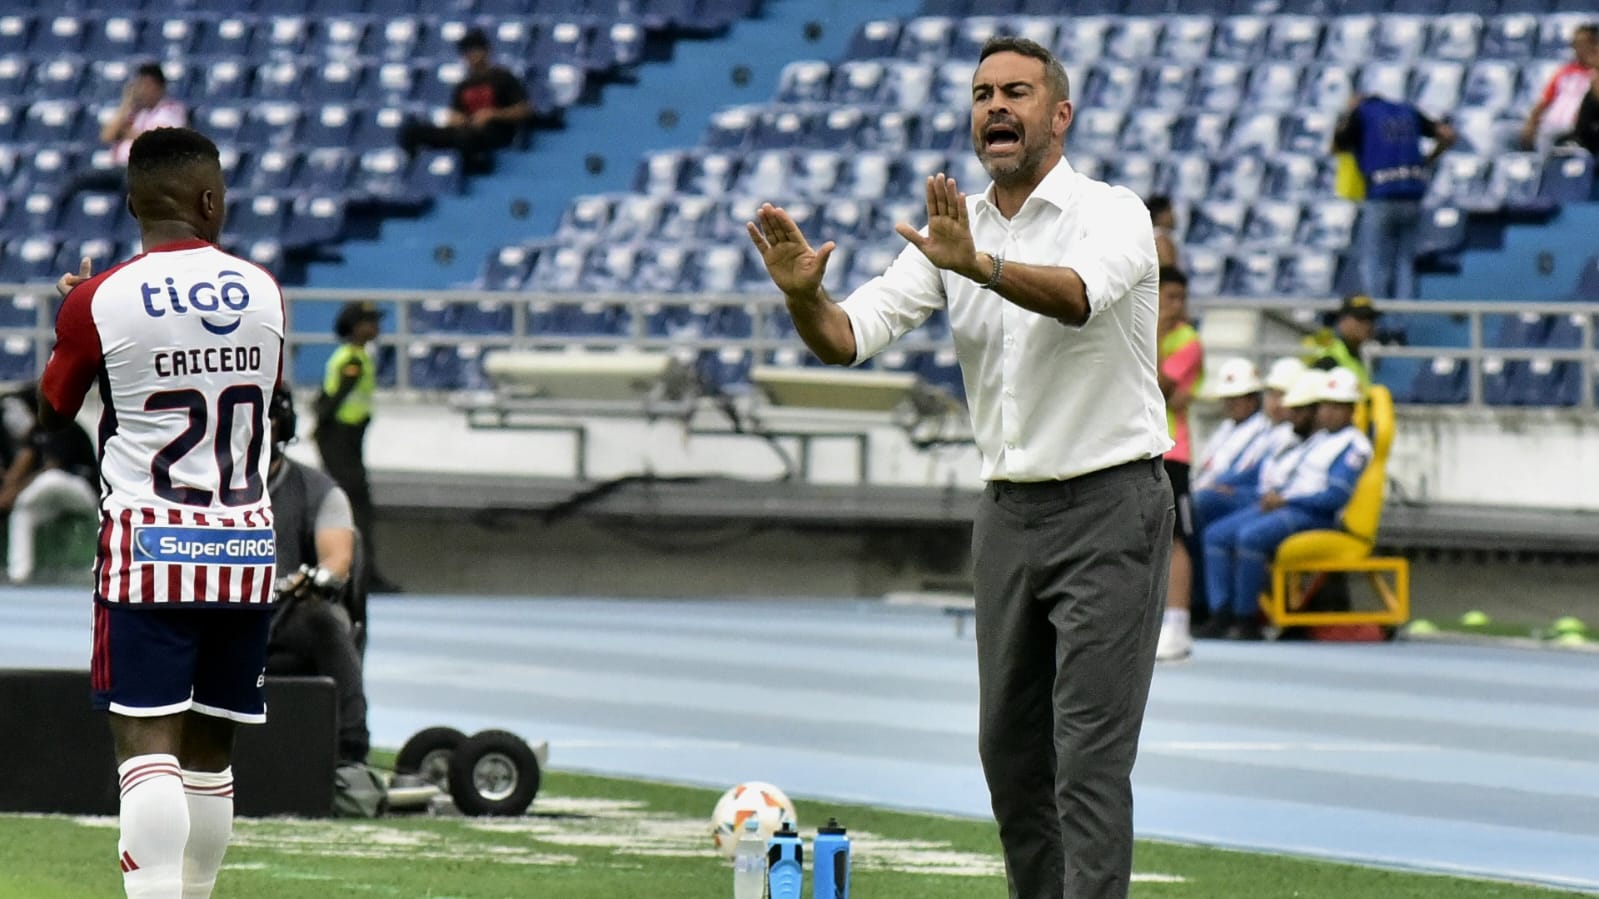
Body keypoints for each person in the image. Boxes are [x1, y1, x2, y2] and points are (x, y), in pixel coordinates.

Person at [746, 36, 1173, 899]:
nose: (994, 107)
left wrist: (977, 263)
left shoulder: (1111, 212)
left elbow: (1078, 297)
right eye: (981, 94)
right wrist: (802, 295)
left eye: (1015, 91)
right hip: (1008, 516)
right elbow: (846, 337)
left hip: (1110, 505)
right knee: (1010, 756)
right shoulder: (954, 232)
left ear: (1059, 115)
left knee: (1087, 755)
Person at [38, 126, 285, 899]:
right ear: (210, 199)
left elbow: (56, 403)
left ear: (133, 203)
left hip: (152, 546)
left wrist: (72, 312)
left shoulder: (99, 299)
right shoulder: (263, 288)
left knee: (147, 748)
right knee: (212, 755)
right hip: (244, 548)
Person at [1200, 368, 1371, 641]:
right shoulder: (1320, 439)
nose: (1328, 412)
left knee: (1250, 536)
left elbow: (1334, 498)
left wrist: (1286, 499)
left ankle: (1247, 619)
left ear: (1351, 410)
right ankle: (1221, 612)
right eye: (1326, 405)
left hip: (1315, 514)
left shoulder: (1354, 446)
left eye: (1337, 406)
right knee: (1215, 535)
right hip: (1287, 506)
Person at [264, 387, 371, 767]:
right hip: (219, 607)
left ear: (282, 426)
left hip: (287, 613)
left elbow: (337, 558)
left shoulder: (317, 490)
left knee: (324, 621)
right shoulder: (202, 487)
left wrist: (316, 578)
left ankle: (350, 747)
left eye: (265, 419)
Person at [1332, 93, 1456, 300]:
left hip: (1381, 194)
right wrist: (1427, 161)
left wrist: (1349, 116)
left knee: (1374, 260)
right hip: (1413, 194)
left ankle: (1377, 320)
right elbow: (1448, 135)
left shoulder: (1362, 113)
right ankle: (1400, 324)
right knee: (1405, 262)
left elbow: (1336, 146)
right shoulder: (1407, 110)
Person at [315, 301, 399, 594]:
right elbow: (333, 400)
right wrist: (321, 430)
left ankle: (357, 570)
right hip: (341, 438)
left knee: (352, 504)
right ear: (355, 326)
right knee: (355, 506)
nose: (376, 327)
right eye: (369, 321)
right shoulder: (353, 360)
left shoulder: (354, 356)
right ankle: (360, 572)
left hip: (347, 438)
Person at [1190, 357, 1307, 532]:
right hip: (1244, 493)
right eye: (1271, 395)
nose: (1230, 404)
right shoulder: (1229, 428)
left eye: (1239, 398)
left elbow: (1257, 474)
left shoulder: (1290, 433)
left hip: (1261, 497)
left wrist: (1225, 486)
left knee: (1202, 505)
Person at [398, 28, 533, 173]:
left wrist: (493, 114)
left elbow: (524, 109)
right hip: (466, 130)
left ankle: (477, 165)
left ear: (486, 51)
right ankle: (415, 171)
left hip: (495, 131)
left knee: (467, 137)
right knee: (411, 132)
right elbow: (455, 114)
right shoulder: (463, 85)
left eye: (475, 49)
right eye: (466, 51)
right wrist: (456, 119)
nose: (470, 55)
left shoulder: (504, 77)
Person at [2, 382, 99, 584]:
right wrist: (9, 490)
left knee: (50, 480)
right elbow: (25, 461)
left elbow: (52, 468)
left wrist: (15, 491)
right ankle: (19, 573)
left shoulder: (63, 423)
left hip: (80, 490)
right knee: (24, 511)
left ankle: (100, 569)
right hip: (50, 498)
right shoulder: (36, 432)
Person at [1155, 266, 1202, 663]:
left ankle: (1178, 625)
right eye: (1168, 298)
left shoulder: (1187, 342)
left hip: (1174, 453)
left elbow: (1155, 386)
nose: (1176, 307)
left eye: (1180, 299)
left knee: (1176, 540)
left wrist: (1152, 333)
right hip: (1137, 449)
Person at [60, 62, 188, 205]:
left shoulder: (170, 109)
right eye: (140, 85)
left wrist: (126, 134)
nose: (142, 90)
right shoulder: (136, 112)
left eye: (147, 85)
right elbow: (107, 136)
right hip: (120, 168)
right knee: (77, 179)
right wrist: (125, 105)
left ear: (159, 87)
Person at [1520, 24, 1598, 153]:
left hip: (1578, 127)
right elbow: (1544, 100)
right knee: (1502, 132)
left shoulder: (1595, 73)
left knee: (1549, 135)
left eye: (1583, 44)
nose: (1578, 48)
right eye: (1575, 44)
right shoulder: (1564, 71)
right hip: (1551, 123)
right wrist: (1531, 123)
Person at [1303, 295, 1380, 388]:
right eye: (1361, 318)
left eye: (1371, 319)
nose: (1368, 325)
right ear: (1343, 321)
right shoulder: (1328, 359)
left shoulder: (1358, 354)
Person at [1146, 194, 1180, 268]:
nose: (1173, 216)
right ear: (1160, 215)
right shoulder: (1161, 239)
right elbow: (1169, 269)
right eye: (1169, 211)